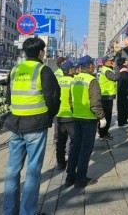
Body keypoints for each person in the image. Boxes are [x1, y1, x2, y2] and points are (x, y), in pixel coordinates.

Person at [3, 37, 60, 215]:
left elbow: (8, 97)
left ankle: (9, 211)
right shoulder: (43, 70)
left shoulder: (15, 70)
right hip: (35, 126)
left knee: (12, 171)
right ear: (41, 52)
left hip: (15, 124)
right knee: (33, 171)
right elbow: (53, 98)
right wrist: (49, 115)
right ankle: (28, 211)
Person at [65, 55, 106, 188]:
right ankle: (81, 178)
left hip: (76, 117)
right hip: (88, 119)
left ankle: (70, 177)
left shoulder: (74, 79)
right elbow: (95, 103)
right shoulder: (92, 80)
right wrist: (101, 117)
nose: (94, 67)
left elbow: (70, 100)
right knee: (85, 149)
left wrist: (75, 110)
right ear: (89, 66)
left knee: (75, 148)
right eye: (93, 65)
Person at [55, 61, 76, 170]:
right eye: (72, 68)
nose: (74, 70)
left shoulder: (58, 81)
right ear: (69, 70)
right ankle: (72, 163)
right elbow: (75, 99)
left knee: (61, 141)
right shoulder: (73, 81)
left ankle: (60, 163)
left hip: (60, 115)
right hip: (70, 115)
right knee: (74, 140)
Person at [98, 55, 119, 140]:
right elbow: (115, 78)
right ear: (105, 62)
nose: (112, 62)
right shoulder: (107, 70)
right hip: (106, 97)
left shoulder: (106, 70)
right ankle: (103, 134)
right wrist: (116, 68)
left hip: (106, 96)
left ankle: (103, 132)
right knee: (107, 116)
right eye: (110, 61)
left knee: (106, 115)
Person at [53, 57, 66, 145]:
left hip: (60, 98)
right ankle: (57, 137)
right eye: (65, 62)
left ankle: (57, 137)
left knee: (58, 120)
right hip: (61, 98)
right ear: (61, 63)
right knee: (58, 120)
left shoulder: (56, 73)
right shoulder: (61, 73)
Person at [116, 56, 128, 128]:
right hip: (124, 93)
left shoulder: (120, 69)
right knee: (124, 108)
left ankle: (123, 121)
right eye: (126, 61)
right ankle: (122, 122)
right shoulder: (124, 71)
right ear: (123, 63)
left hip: (121, 92)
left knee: (121, 108)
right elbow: (126, 84)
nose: (127, 62)